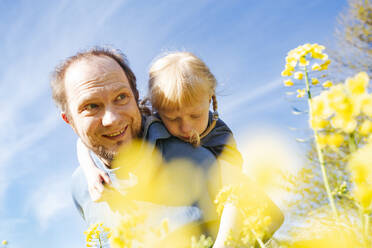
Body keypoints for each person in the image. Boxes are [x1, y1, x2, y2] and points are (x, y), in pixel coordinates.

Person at [73, 50, 284, 246]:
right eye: (172, 118)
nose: (185, 127)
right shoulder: (149, 121)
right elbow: (87, 138)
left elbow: (234, 193)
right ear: (156, 108)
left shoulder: (220, 137)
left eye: (195, 116)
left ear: (211, 100)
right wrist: (90, 169)